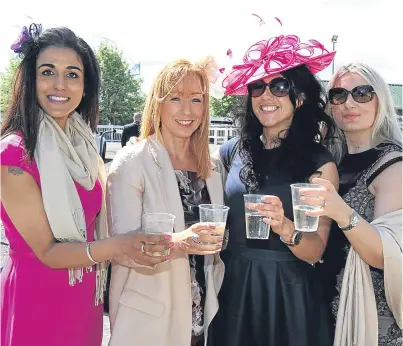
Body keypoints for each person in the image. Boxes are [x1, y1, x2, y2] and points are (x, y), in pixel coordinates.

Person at [0, 24, 172, 346]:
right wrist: (121, 245)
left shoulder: (83, 146)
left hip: (83, 296)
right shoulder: (13, 155)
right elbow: (48, 252)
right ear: (30, 80)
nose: (60, 84)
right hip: (36, 297)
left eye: (73, 74)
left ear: (85, 85)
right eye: (48, 72)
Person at [209, 34, 339, 346]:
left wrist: (285, 227)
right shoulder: (231, 152)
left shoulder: (319, 165)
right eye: (257, 86)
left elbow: (315, 249)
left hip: (288, 293)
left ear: (300, 97)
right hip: (233, 286)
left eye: (279, 86)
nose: (266, 94)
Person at [107, 58, 225, 346]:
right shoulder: (132, 162)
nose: (187, 110)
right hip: (149, 320)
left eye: (196, 99)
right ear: (158, 104)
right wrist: (179, 242)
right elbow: (120, 249)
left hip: (202, 313)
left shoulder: (212, 167)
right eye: (175, 98)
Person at [303, 62, 402, 346]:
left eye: (361, 93)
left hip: (371, 316)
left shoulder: (393, 166)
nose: (348, 103)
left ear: (379, 100)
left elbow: (387, 255)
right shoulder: (331, 161)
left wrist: (341, 211)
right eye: (338, 95)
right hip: (325, 307)